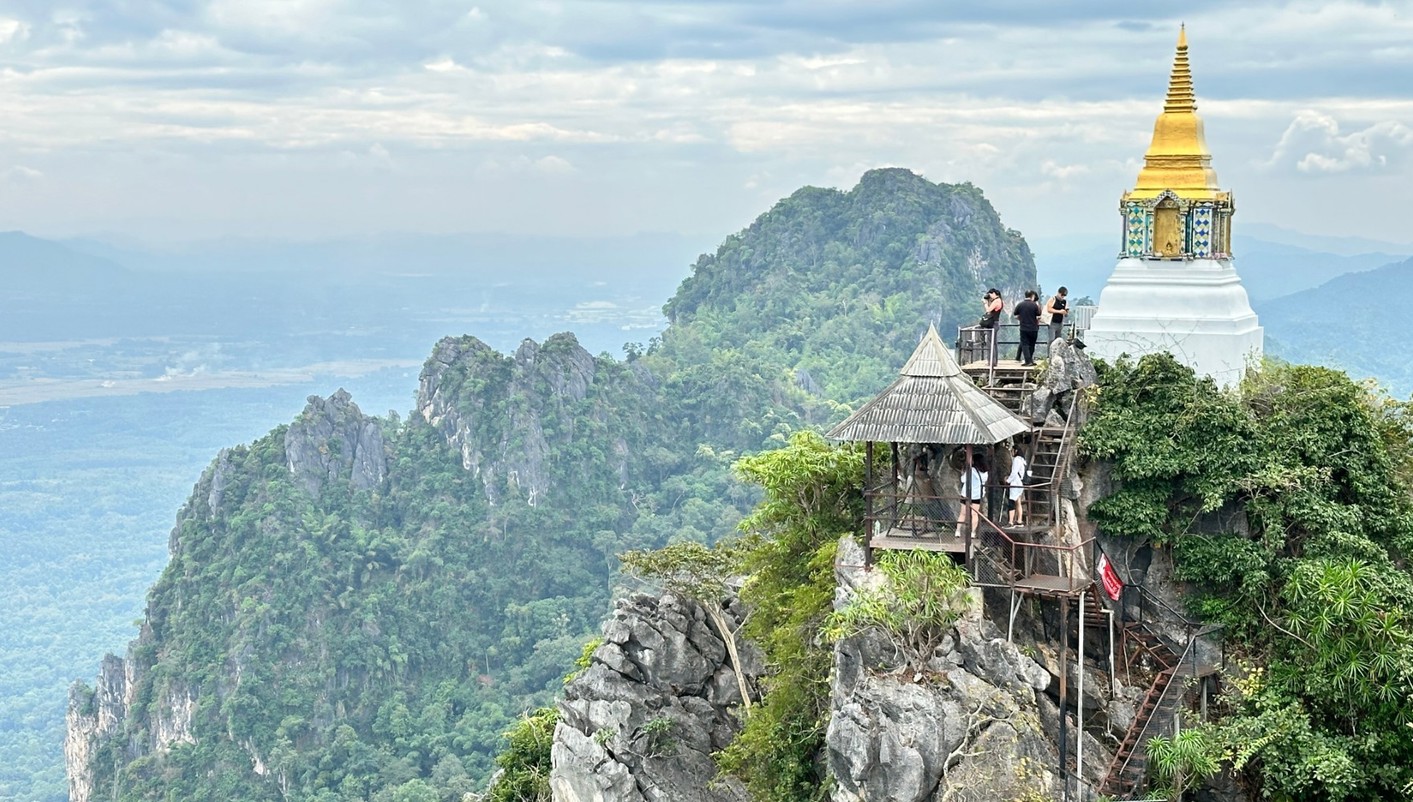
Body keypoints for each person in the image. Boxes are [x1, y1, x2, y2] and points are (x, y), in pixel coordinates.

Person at [955, 453, 988, 539]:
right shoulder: (985, 472)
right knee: (974, 514)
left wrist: (963, 472)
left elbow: (963, 480)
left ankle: (958, 531)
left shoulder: (971, 470)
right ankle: (973, 533)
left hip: (966, 494)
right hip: (977, 495)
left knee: (962, 513)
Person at [1013, 290, 1042, 365]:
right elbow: (1038, 314)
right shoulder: (1034, 305)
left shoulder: (1020, 305)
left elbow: (1015, 313)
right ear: (1032, 296)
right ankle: (1031, 360)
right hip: (1033, 328)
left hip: (1024, 328)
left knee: (1025, 344)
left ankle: (1027, 361)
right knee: (1032, 344)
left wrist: (1021, 317)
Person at [978, 288, 1003, 365]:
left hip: (992, 325)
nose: (990, 296)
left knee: (990, 343)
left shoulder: (996, 301)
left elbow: (988, 310)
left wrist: (985, 303)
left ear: (993, 293)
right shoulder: (1000, 300)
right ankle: (994, 361)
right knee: (994, 343)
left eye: (990, 294)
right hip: (996, 323)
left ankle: (991, 362)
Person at [1006, 450, 1028, 526]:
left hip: (1015, 483)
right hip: (1020, 483)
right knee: (1018, 502)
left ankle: (1010, 521)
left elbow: (1014, 472)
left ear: (1015, 451)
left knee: (1011, 502)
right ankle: (1019, 520)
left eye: (1012, 450)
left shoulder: (1016, 460)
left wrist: (1008, 480)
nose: (1011, 452)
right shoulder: (1022, 460)